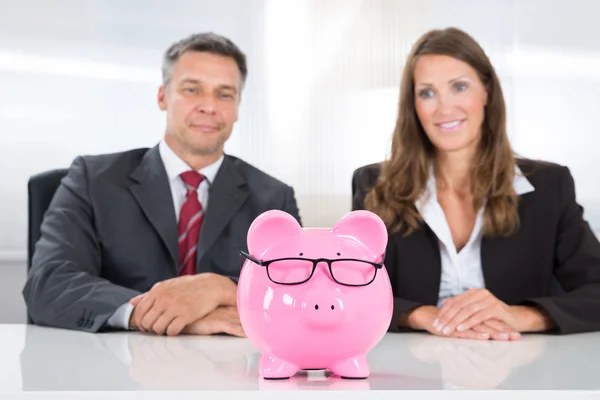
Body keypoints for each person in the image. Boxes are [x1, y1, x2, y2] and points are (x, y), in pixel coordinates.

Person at [23, 32, 301, 336]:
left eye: (224, 94)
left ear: (237, 108)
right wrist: (160, 315)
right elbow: (49, 283)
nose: (209, 106)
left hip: (231, 371)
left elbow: (299, 295)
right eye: (192, 89)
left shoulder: (274, 198)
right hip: (114, 368)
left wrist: (223, 288)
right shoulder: (92, 179)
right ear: (162, 97)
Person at [352, 27, 600, 340]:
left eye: (459, 86)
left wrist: (522, 316)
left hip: (517, 374)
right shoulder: (374, 185)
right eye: (427, 92)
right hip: (411, 376)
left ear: (487, 92)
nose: (444, 108)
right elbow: (349, 290)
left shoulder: (549, 186)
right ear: (413, 106)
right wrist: (421, 315)